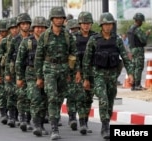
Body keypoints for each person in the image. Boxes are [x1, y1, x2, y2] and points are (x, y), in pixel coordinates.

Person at [82, 12, 134, 139]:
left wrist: (130, 73)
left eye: (110, 24)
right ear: (101, 25)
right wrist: (86, 79)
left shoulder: (117, 40)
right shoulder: (94, 40)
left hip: (112, 76)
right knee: (103, 99)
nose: (108, 27)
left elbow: (125, 57)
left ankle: (107, 122)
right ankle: (105, 127)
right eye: (105, 24)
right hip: (98, 75)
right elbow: (86, 60)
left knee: (110, 101)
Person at [34, 6, 81, 140]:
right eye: (56, 18)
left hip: (64, 69)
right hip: (49, 69)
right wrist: (39, 77)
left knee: (60, 98)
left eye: (61, 18)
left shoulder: (68, 36)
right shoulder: (45, 36)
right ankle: (54, 129)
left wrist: (77, 71)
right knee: (53, 97)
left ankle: (54, 119)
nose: (59, 20)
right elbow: (38, 57)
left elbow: (74, 54)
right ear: (52, 19)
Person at [15, 16, 49, 137]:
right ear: (33, 28)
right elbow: (19, 61)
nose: (40, 29)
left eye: (42, 27)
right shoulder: (27, 42)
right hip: (31, 74)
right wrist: (19, 77)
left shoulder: (50, 41)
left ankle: (41, 123)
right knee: (35, 98)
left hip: (47, 74)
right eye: (37, 27)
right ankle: (36, 125)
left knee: (45, 100)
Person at [66, 11, 97, 135]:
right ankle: (81, 122)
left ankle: (86, 120)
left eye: (88, 23)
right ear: (80, 24)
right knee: (78, 97)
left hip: (91, 71)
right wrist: (72, 71)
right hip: (77, 72)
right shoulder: (73, 38)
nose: (86, 25)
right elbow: (69, 55)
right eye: (84, 23)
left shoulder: (95, 37)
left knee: (88, 99)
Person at [6, 13, 33, 132]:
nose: (25, 26)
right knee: (20, 95)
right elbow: (8, 58)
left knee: (32, 96)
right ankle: (21, 118)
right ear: (19, 25)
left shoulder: (33, 39)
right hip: (18, 71)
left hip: (32, 71)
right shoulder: (15, 40)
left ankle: (28, 119)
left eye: (27, 23)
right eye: (23, 24)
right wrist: (7, 73)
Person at [0, 17, 19, 127]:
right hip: (7, 72)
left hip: (20, 72)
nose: (14, 30)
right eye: (11, 28)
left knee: (20, 95)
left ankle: (19, 116)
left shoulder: (23, 39)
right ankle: (11, 116)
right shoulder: (5, 41)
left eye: (15, 28)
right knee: (10, 94)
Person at [127, 12, 150, 91]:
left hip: (132, 49)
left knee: (133, 67)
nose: (142, 23)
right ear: (139, 21)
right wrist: (147, 34)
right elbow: (143, 41)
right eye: (141, 21)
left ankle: (133, 85)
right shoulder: (137, 29)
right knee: (139, 67)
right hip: (138, 50)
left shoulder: (130, 28)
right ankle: (137, 85)